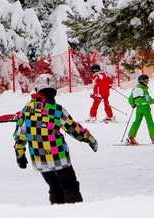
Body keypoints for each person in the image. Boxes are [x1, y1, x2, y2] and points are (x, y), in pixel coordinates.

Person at [13, 76, 97, 205]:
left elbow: (20, 133)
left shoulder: (27, 109)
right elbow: (73, 128)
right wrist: (89, 138)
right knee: (70, 186)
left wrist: (20, 154)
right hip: (58, 156)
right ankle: (76, 213)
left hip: (39, 158)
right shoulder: (57, 110)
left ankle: (57, 212)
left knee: (55, 187)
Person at [125, 74, 154, 145]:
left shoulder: (135, 89)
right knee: (150, 122)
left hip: (138, 108)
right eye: (147, 80)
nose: (148, 81)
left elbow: (130, 99)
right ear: (143, 81)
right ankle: (153, 138)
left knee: (136, 122)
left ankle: (131, 137)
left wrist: (133, 105)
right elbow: (148, 101)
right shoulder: (144, 90)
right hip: (145, 108)